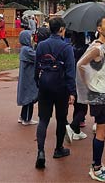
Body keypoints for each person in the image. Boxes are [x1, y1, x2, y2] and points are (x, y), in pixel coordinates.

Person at [76, 16, 105, 182]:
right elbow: (80, 64)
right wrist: (88, 84)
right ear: (99, 29)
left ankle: (98, 165)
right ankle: (96, 167)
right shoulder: (97, 48)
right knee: (102, 129)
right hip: (98, 94)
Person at [34, 17, 76, 170]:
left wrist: (37, 82)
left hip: (44, 84)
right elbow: (71, 71)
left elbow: (36, 66)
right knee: (61, 118)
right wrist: (72, 91)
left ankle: (40, 151)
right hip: (61, 86)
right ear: (61, 29)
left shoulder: (41, 45)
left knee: (43, 119)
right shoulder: (66, 47)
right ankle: (58, 149)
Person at [66, 31, 90, 141]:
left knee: (77, 105)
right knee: (83, 108)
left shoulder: (70, 48)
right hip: (83, 80)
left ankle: (76, 130)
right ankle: (72, 127)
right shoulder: (87, 49)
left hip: (72, 79)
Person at [17, 30, 39, 125]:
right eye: (30, 37)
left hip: (26, 77)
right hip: (28, 78)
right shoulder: (27, 50)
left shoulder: (25, 49)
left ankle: (22, 116)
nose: (32, 39)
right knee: (29, 98)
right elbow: (37, 57)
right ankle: (26, 119)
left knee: (27, 97)